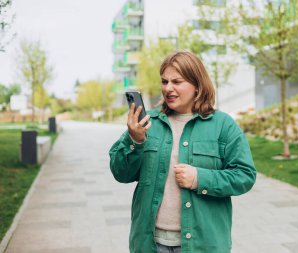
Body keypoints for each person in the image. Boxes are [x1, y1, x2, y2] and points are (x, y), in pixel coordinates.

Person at [109, 51, 256, 253]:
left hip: (202, 244)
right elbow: (121, 173)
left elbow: (245, 176)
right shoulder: (147, 123)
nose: (168, 88)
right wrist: (135, 139)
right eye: (164, 81)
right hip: (150, 244)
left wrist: (199, 178)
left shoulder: (223, 125)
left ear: (197, 85)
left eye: (177, 81)